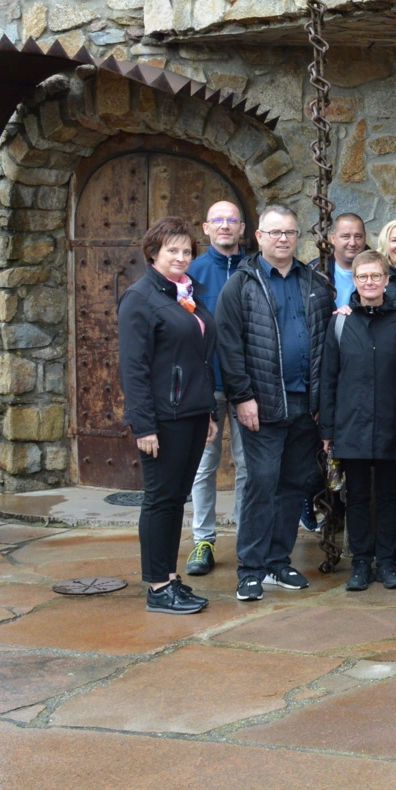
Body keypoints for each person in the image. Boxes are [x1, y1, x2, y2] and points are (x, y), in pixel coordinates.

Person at [216, 204, 333, 602]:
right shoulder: (242, 284)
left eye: (290, 233)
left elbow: (324, 339)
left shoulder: (313, 282)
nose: (284, 239)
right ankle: (250, 569)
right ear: (260, 237)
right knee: (261, 484)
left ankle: (278, 562)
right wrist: (243, 396)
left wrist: (321, 400)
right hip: (262, 405)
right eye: (275, 232)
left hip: (305, 403)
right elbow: (229, 346)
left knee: (292, 485)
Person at [118, 216, 218, 615]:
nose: (181, 257)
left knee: (177, 499)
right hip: (163, 419)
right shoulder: (140, 298)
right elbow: (134, 367)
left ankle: (171, 579)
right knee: (160, 500)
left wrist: (208, 411)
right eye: (172, 250)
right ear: (153, 253)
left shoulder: (184, 294)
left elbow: (197, 359)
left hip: (192, 415)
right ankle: (158, 587)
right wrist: (143, 424)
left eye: (187, 251)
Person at [318, 251, 396, 592]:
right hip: (351, 425)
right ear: (354, 281)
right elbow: (329, 379)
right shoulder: (341, 322)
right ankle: (360, 562)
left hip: (391, 424)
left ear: (386, 279)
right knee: (356, 497)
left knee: (388, 496)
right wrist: (327, 430)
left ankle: (387, 561)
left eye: (376, 276)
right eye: (363, 277)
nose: (369, 282)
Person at [184, 200, 247, 578]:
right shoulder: (192, 272)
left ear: (242, 228)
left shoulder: (254, 269)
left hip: (246, 385)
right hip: (206, 386)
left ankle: (245, 536)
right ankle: (203, 540)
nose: (225, 226)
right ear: (206, 228)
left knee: (247, 466)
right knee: (203, 467)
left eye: (232, 220)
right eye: (217, 220)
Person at [313, 212, 368, 308]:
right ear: (333, 238)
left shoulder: (379, 271)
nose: (352, 243)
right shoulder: (315, 271)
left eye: (358, 236)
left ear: (365, 238)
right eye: (345, 236)